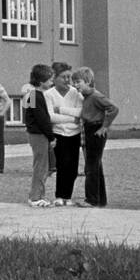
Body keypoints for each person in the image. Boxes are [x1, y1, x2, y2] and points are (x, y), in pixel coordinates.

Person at [72, 67, 117, 208]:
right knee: (96, 165)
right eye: (74, 82)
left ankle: (91, 199)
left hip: (95, 130)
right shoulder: (86, 97)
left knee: (91, 166)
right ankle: (100, 199)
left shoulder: (96, 96)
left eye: (78, 82)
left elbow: (113, 108)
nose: (75, 85)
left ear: (88, 81)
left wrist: (104, 126)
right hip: (89, 128)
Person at [45, 61, 83, 206]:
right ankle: (60, 195)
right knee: (62, 165)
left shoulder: (75, 92)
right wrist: (72, 118)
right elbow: (51, 117)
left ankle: (68, 196)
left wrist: (61, 110)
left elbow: (80, 112)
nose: (67, 80)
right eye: (63, 77)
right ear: (55, 78)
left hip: (74, 133)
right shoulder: (49, 94)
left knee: (73, 167)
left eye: (69, 77)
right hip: (59, 133)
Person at [22, 64, 56, 207]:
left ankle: (39, 195)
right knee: (41, 166)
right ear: (42, 81)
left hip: (36, 134)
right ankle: (35, 197)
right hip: (39, 135)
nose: (52, 82)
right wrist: (51, 136)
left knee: (43, 165)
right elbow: (42, 119)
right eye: (50, 80)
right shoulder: (36, 96)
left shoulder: (33, 95)